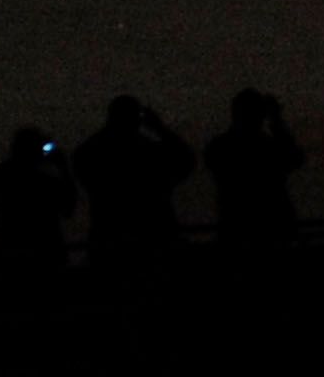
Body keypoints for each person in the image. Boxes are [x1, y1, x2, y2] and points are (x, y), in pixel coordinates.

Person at [75, 96, 195, 293]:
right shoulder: (150, 153)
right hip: (153, 242)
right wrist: (160, 128)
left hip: (109, 241)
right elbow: (186, 160)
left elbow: (81, 161)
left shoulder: (91, 153)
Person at [203, 91, 304, 267]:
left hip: (235, 227)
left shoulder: (220, 146)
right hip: (271, 228)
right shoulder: (267, 147)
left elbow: (294, 159)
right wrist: (277, 123)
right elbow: (294, 159)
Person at [0, 125, 74, 306]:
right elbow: (68, 209)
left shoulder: (1, 177)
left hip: (10, 257)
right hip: (47, 258)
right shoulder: (47, 183)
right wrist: (63, 169)